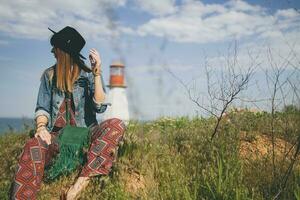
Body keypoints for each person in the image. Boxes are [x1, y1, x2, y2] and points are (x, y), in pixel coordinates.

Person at [10, 26, 126, 200]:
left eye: (55, 48)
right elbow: (42, 107)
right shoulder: (49, 75)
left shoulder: (88, 75)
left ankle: (78, 186)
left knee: (116, 124)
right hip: (56, 139)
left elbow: (99, 107)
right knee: (33, 146)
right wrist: (42, 128)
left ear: (63, 52)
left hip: (85, 134)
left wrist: (96, 73)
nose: (52, 51)